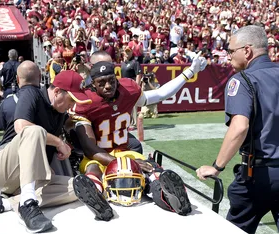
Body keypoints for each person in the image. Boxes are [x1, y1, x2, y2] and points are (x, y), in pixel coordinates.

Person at [71, 52, 207, 221]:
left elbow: (159, 94)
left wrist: (189, 72)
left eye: (111, 81)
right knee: (93, 169)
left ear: (116, 78)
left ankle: (168, 196)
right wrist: (126, 163)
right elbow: (90, 148)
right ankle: (96, 198)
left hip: (123, 150)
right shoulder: (85, 101)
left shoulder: (128, 89)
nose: (108, 86)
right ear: (93, 85)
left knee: (150, 169)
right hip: (98, 154)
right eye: (102, 83)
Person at [0, 63, 92, 233]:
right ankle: (28, 204)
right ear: (57, 92)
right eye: (71, 99)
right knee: (33, 131)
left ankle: (2, 204)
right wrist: (58, 142)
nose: (72, 105)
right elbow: (21, 127)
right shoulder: (31, 92)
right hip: (4, 171)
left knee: (80, 186)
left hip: (30, 177)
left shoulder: (60, 113)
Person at [196, 25, 279, 234]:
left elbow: (240, 127)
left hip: (258, 175)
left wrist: (217, 166)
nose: (228, 57)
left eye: (231, 51)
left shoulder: (242, 80)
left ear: (247, 51)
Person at [121, 47, 142, 130]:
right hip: (124, 86)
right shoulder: (123, 63)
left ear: (131, 52)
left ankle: (133, 123)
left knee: (133, 105)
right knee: (125, 105)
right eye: (126, 51)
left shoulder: (135, 62)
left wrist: (136, 86)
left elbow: (138, 74)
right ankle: (127, 122)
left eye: (128, 52)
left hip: (132, 85)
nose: (127, 53)